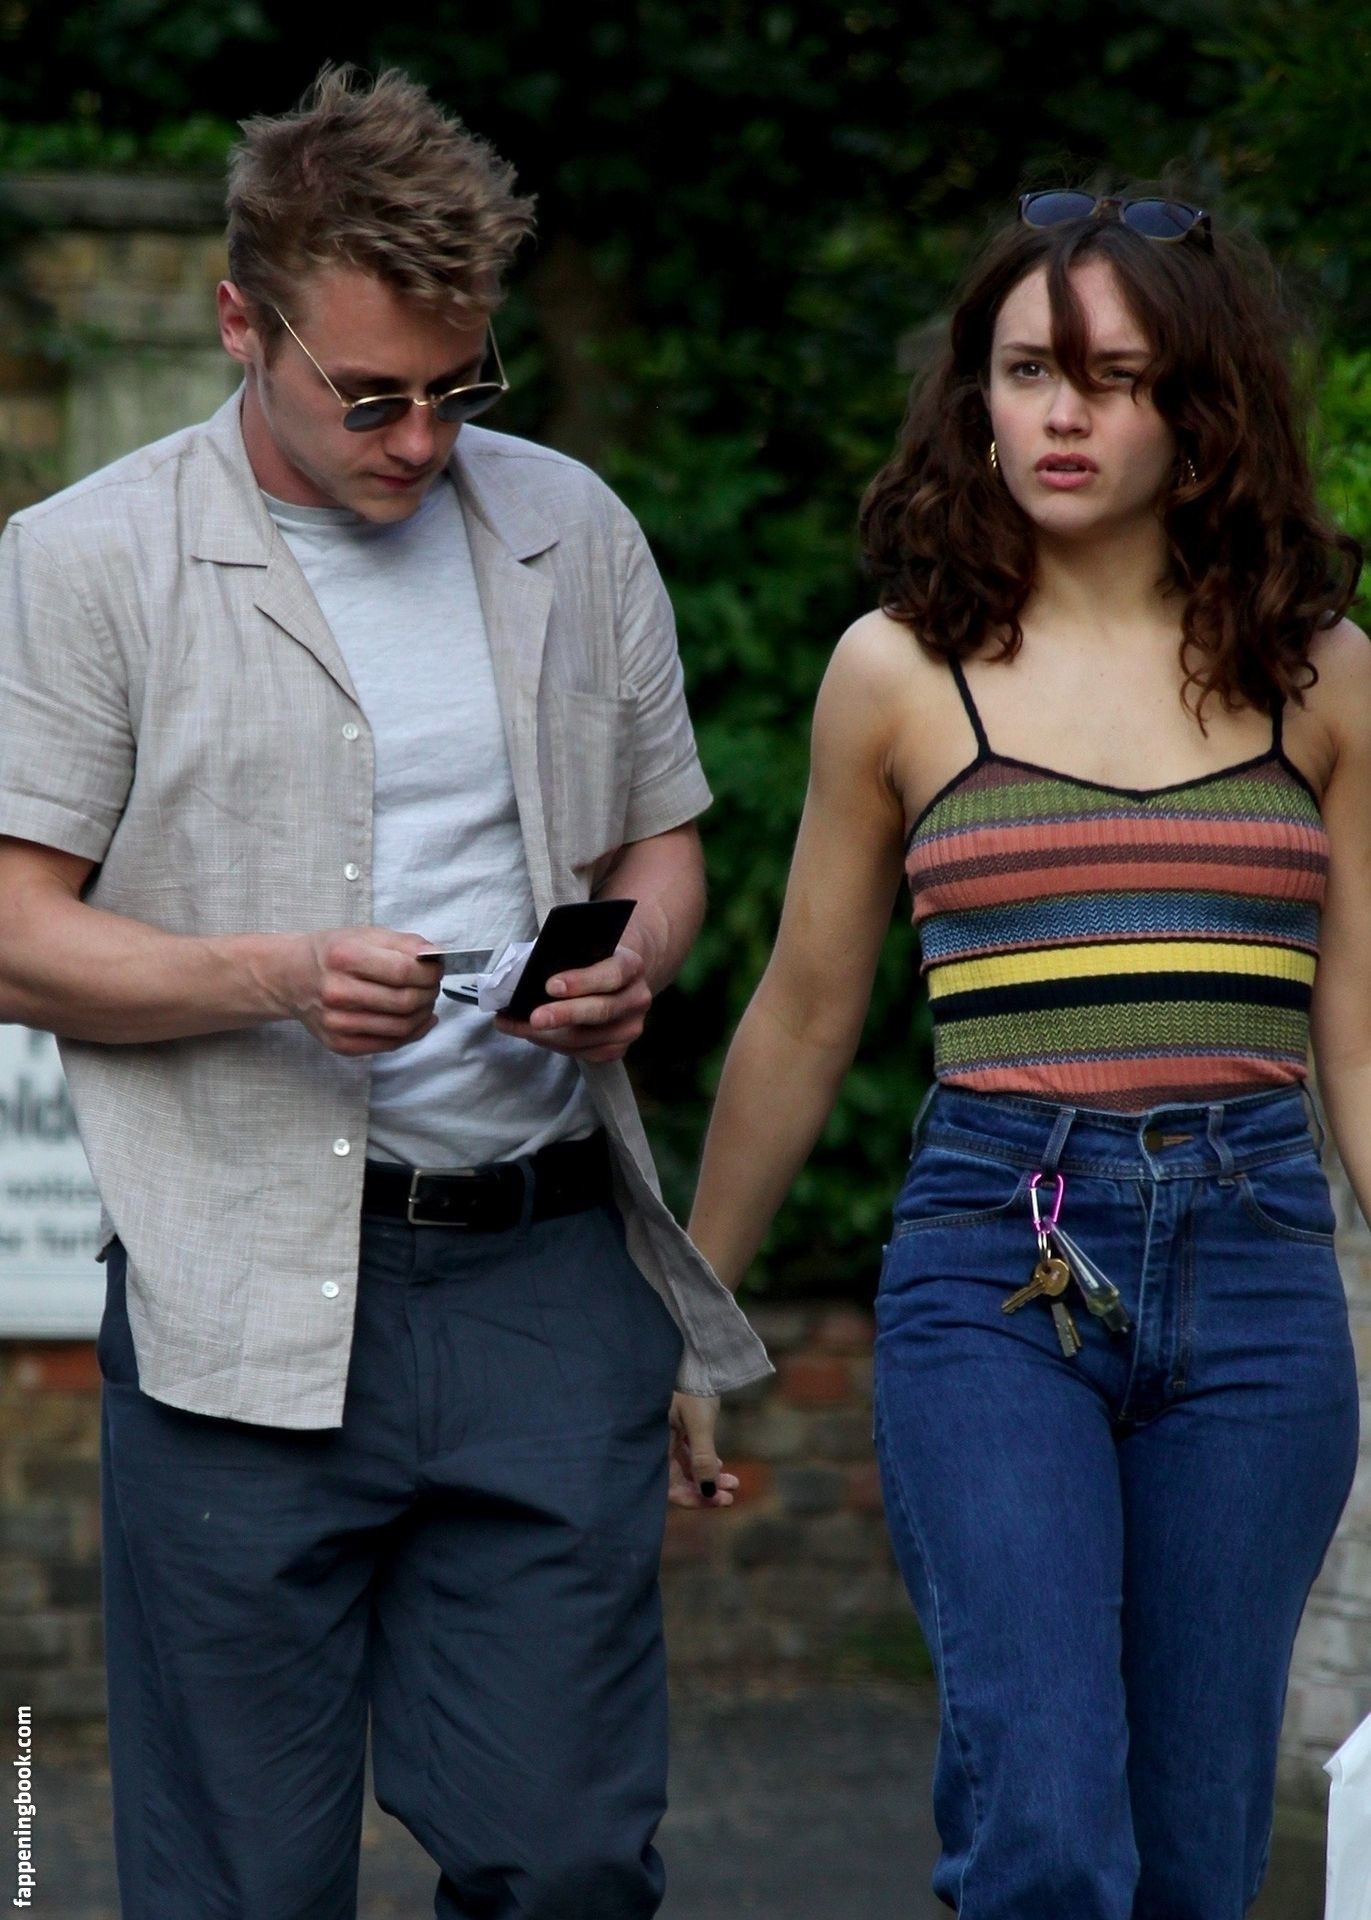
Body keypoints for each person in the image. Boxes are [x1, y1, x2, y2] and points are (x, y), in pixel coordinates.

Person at [0, 65, 766, 1920]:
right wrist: (267, 975)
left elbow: (662, 843)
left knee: (570, 1867)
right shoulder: (87, 557)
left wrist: (635, 954)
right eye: (370, 396)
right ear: (239, 322)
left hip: (544, 1280)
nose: (422, 439)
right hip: (236, 1293)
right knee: (240, 1887)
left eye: (458, 385)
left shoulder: (573, 525)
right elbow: (16, 928)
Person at [685, 188, 1367, 1917]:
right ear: (972, 395)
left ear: (1199, 406)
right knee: (1049, 1826)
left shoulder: (1324, 676)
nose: (1062, 416)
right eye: (1025, 372)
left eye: (1114, 379)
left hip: (1258, 1270)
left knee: (1198, 1859)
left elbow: (1361, 1042)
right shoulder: (899, 673)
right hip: (999, 1259)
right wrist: (694, 1315)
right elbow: (804, 1011)